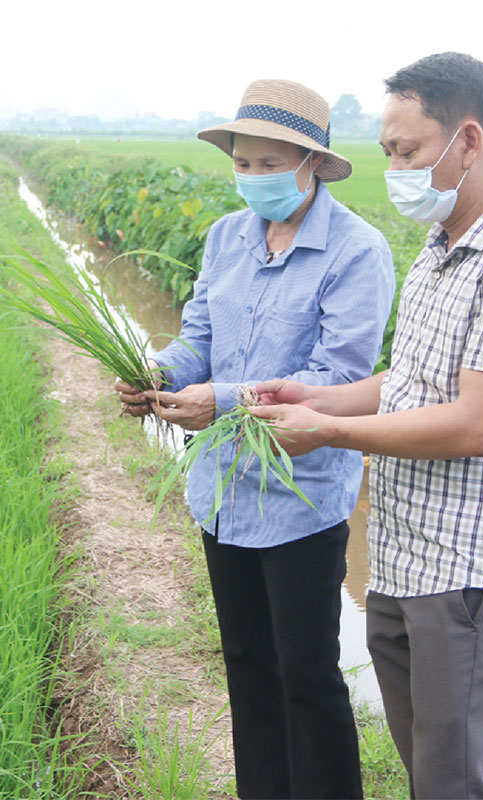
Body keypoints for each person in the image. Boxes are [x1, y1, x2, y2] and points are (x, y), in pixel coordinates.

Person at [249, 53, 483, 799]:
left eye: (407, 151)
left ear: (468, 141)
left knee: (450, 781)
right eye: (388, 153)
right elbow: (408, 385)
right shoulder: (440, 252)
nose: (395, 168)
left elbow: (473, 425)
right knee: (427, 770)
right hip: (406, 556)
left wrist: (325, 434)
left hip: (464, 569)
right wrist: (314, 397)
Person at [115, 79, 395, 799]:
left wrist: (226, 401)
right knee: (245, 660)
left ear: (311, 165)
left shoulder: (356, 253)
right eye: (244, 163)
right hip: (223, 491)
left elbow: (337, 375)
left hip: (300, 497)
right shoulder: (226, 238)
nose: (254, 178)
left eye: (271, 164)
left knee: (305, 671)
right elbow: (198, 339)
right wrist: (155, 374)